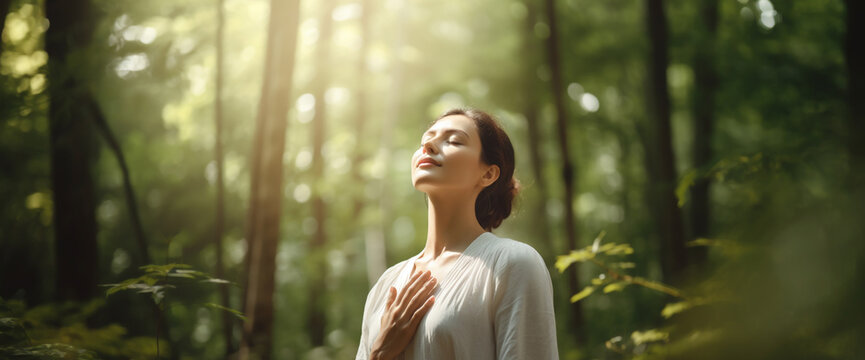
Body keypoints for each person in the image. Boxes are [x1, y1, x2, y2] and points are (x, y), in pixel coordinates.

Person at [355, 108, 559, 360]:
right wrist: (379, 353)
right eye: (425, 140)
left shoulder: (512, 264)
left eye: (453, 140)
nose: (428, 145)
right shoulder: (386, 284)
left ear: (488, 174)